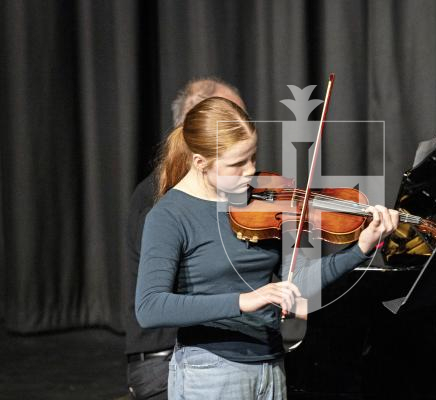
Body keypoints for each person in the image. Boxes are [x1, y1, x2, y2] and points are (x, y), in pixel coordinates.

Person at [134, 96, 400, 400]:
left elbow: (299, 280)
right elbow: (150, 307)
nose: (250, 171)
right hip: (210, 372)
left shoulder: (263, 200)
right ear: (200, 162)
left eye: (253, 157)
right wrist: (246, 300)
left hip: (271, 364)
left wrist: (359, 249)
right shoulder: (170, 215)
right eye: (237, 163)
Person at [124, 78, 245, 400]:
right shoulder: (161, 200)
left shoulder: (229, 195)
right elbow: (165, 300)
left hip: (221, 348)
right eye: (231, 120)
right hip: (166, 359)